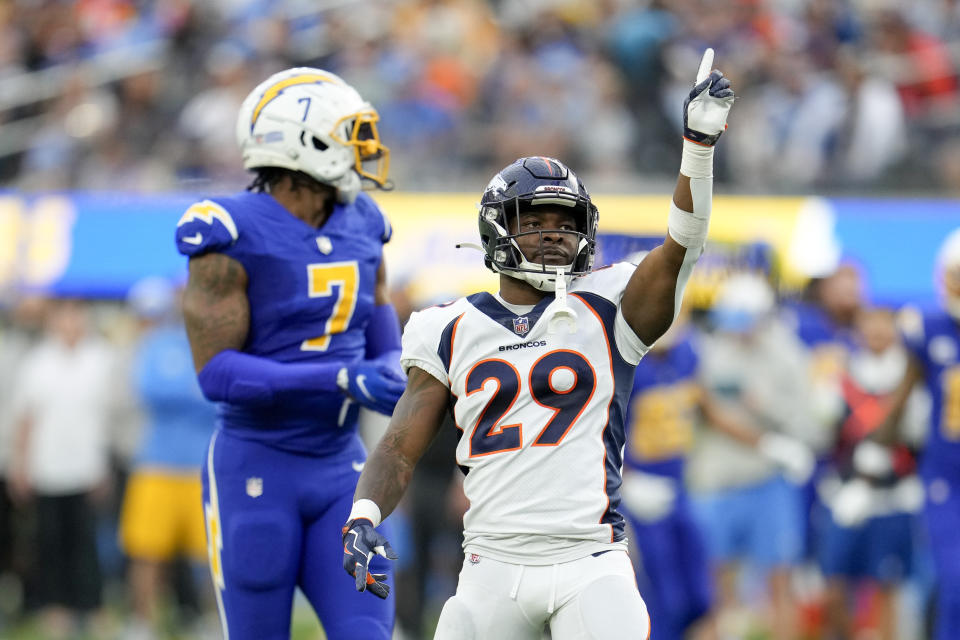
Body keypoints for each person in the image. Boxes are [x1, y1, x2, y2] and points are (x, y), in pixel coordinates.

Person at [341, 49, 735, 639]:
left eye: (565, 221)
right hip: (489, 566)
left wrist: (697, 149)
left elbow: (683, 245)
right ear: (497, 227)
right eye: (536, 220)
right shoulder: (446, 326)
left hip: (590, 562)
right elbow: (400, 447)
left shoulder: (610, 304)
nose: (555, 234)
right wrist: (363, 516)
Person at [175, 68, 406, 640]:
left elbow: (385, 347)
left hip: (345, 471)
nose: (364, 148)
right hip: (256, 467)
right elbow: (217, 373)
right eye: (351, 134)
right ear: (305, 142)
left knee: (369, 633)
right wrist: (341, 380)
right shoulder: (229, 230)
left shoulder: (365, 224)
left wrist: (398, 370)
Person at [7, 298, 117, 639]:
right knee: (50, 544)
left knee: (88, 545)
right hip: (48, 468)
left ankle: (92, 607)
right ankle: (56, 609)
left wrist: (107, 464)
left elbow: (110, 418)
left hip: (87, 468)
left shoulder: (101, 358)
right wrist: (20, 466)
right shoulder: (38, 362)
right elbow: (25, 419)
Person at [117, 277, 217, 640]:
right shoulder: (157, 342)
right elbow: (151, 389)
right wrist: (196, 391)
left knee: (209, 558)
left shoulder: (214, 343)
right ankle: (141, 624)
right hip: (156, 465)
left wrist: (188, 391)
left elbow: (222, 396)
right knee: (146, 552)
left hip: (201, 469)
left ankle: (211, 622)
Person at [873, 227, 960, 640]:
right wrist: (872, 448)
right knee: (954, 583)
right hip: (948, 476)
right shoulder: (929, 327)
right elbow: (903, 395)